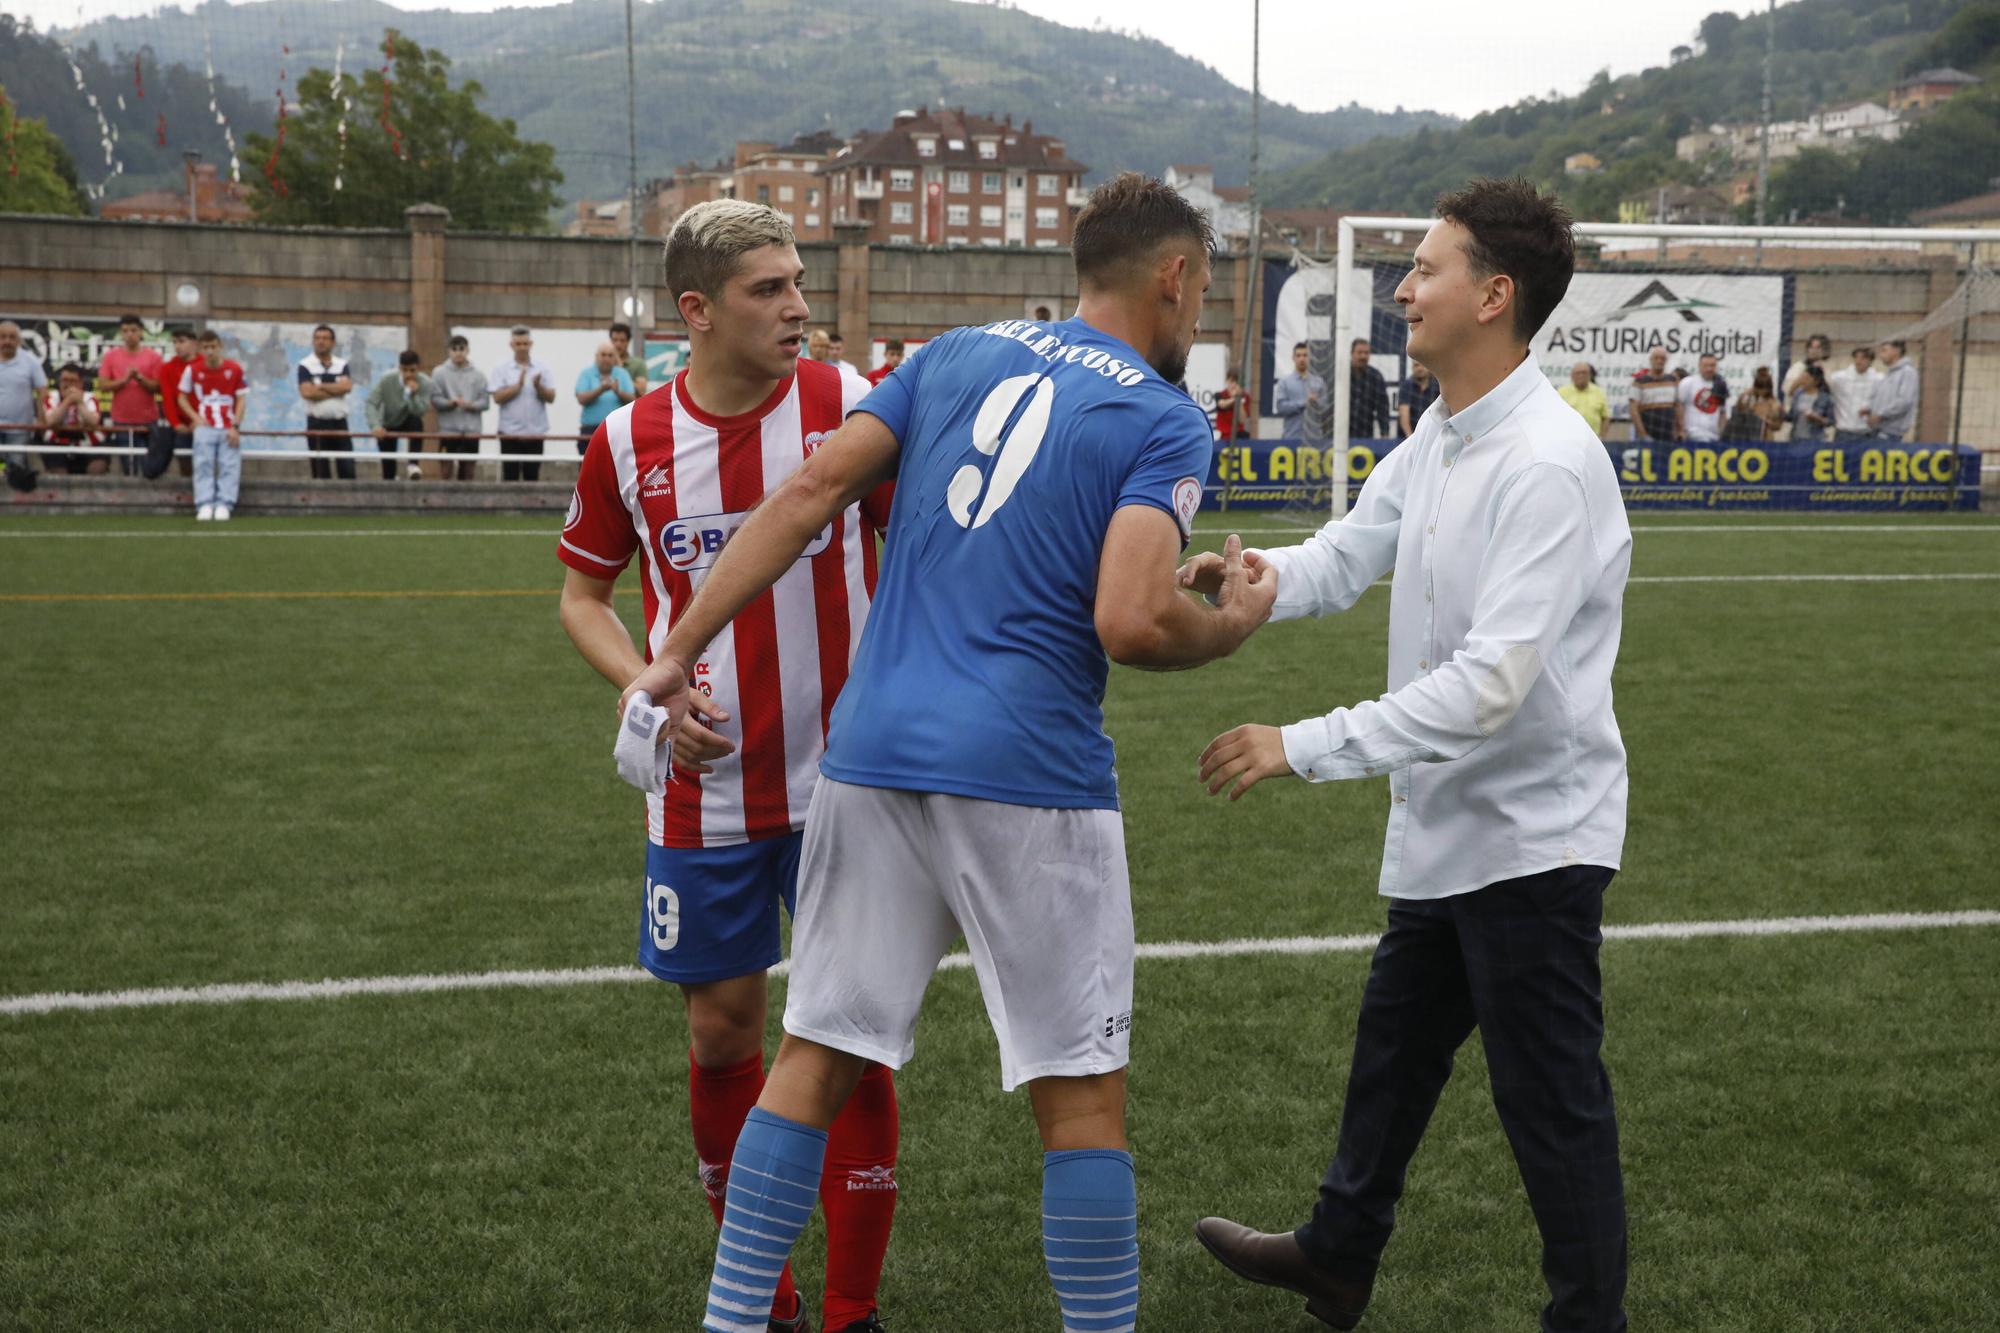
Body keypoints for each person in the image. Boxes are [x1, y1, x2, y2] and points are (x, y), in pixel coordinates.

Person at [620, 173, 1275, 1333]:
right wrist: (1223, 621)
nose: (1200, 312)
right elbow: (1127, 621)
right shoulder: (1167, 415)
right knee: (1077, 1097)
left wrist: (674, 648)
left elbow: (814, 487)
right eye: (1205, 289)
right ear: (1173, 278)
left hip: (868, 758)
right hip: (1026, 770)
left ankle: (728, 1322)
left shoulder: (952, 352)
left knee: (812, 1054)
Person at [1187, 177, 1631, 1333]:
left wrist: (1303, 743)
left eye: (1424, 268)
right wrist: (1255, 580)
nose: (1401, 289)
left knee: (1550, 1107)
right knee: (1392, 1056)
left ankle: (1585, 1320)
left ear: (1493, 294)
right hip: (1450, 826)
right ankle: (1337, 1255)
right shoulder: (1441, 429)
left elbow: (1489, 687)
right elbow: (1348, 551)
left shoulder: (1544, 461)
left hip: (1533, 838)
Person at [557, 200, 904, 1333]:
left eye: (800, 282)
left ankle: (850, 1306)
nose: (799, 306)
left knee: (848, 1036)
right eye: (769, 289)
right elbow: (582, 593)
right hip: (701, 786)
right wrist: (647, 686)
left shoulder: (849, 406)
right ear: (695, 309)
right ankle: (772, 1295)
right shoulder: (627, 442)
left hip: (850, 782)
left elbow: (921, 546)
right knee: (723, 1034)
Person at [178, 329, 247, 521]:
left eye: (213, 347)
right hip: (205, 426)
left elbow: (241, 399)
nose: (210, 351)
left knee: (229, 465)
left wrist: (236, 425)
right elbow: (181, 397)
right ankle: (205, 503)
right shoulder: (193, 370)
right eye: (206, 347)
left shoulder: (234, 369)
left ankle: (225, 503)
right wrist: (195, 418)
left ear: (220, 347)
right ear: (200, 348)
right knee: (203, 464)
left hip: (227, 426)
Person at [96, 314, 165, 474]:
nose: (129, 335)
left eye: (133, 330)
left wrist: (140, 378)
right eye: (125, 331)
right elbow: (103, 385)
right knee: (128, 464)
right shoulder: (111, 356)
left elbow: (158, 387)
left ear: (141, 332)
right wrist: (124, 380)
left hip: (148, 419)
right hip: (122, 420)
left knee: (150, 464)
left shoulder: (153, 357)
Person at [489, 326, 556, 481]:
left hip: (535, 433)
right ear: (511, 345)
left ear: (531, 344)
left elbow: (551, 397)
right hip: (509, 433)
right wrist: (517, 386)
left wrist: (539, 386)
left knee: (532, 477)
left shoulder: (542, 368)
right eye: (518, 344)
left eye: (525, 344)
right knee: (510, 477)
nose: (522, 348)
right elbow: (497, 398)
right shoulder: (501, 368)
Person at [297, 325, 356, 480]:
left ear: (333, 342)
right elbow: (307, 392)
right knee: (320, 472)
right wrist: (336, 389)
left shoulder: (341, 364)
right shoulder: (305, 365)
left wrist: (321, 386)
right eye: (317, 338)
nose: (320, 342)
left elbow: (347, 387)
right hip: (317, 423)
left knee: (348, 470)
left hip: (340, 424)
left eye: (325, 338)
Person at [366, 351, 435, 480]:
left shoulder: (425, 383)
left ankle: (413, 464)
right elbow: (371, 402)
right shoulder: (387, 380)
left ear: (418, 369)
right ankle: (390, 481)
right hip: (389, 422)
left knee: (416, 422)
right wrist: (375, 426)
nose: (408, 374)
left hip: (409, 419)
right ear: (399, 368)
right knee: (388, 469)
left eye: (412, 370)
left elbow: (420, 412)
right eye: (405, 370)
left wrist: (413, 395)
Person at [430, 335, 489, 481]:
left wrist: (470, 405)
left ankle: (468, 502)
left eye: (462, 348)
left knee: (468, 471)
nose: (458, 352)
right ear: (449, 351)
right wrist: (451, 403)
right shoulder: (439, 372)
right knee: (445, 470)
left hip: (471, 430)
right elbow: (435, 399)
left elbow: (485, 403)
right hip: (448, 430)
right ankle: (443, 501)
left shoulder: (479, 374)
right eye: (454, 349)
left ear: (468, 350)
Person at [0, 320, 51, 470]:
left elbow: (42, 391)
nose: (7, 341)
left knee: (15, 468)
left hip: (20, 428)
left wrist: (42, 419)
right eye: (3, 337)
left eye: (11, 337)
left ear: (19, 340)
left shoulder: (30, 361)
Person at [43, 363, 107, 474]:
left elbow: (93, 421)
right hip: (58, 442)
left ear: (81, 383)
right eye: (64, 380)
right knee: (56, 467)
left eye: (72, 381)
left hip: (87, 443)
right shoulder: (52, 396)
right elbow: (51, 421)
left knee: (98, 466)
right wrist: (67, 401)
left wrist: (79, 403)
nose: (68, 384)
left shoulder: (89, 397)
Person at [573, 341, 636, 451]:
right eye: (603, 355)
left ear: (614, 358)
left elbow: (633, 400)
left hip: (618, 431)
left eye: (610, 355)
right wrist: (601, 389)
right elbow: (581, 398)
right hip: (591, 431)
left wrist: (618, 392)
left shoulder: (622, 374)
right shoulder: (586, 373)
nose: (606, 358)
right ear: (596, 357)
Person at [160, 327, 200, 478]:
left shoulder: (204, 364)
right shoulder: (167, 368)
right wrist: (176, 423)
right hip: (182, 424)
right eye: (175, 342)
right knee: (184, 457)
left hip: (205, 422)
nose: (178, 346)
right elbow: (168, 399)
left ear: (194, 343)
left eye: (182, 341)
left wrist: (200, 420)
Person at [1275, 341, 1326, 440]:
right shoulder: (1284, 382)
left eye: (1305, 355)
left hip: (1314, 439)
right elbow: (1281, 407)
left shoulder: (1318, 382)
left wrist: (1316, 403)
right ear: (1293, 358)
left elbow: (1325, 408)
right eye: (1298, 356)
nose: (1302, 359)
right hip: (1291, 437)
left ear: (1310, 358)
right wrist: (1303, 404)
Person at [1829, 345, 1880, 442]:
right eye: (1857, 357)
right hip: (1844, 431)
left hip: (1867, 432)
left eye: (1864, 358)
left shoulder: (1879, 379)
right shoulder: (1839, 378)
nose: (1859, 361)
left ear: (1870, 360)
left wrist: (1872, 410)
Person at [1869, 340, 1918, 442]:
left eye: (1884, 350)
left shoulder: (1907, 372)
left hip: (1891, 433)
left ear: (1896, 351)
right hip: (1879, 430)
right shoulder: (1888, 375)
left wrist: (1881, 415)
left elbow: (1904, 401)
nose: (1881, 355)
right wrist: (1871, 410)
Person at [1628, 347, 1677, 442]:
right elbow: (1633, 410)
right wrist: (1643, 435)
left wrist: (1679, 431)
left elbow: (1678, 407)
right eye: (1656, 358)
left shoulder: (1672, 380)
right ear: (1651, 360)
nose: (1659, 361)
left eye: (1662, 358)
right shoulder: (1639, 382)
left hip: (1669, 437)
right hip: (1647, 437)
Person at [1677, 352, 1728, 442]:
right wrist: (1681, 430)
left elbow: (1723, 413)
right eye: (1706, 366)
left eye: (1712, 366)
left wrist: (1721, 434)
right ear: (1699, 366)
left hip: (1714, 437)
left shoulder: (1721, 385)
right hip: (1692, 435)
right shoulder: (1688, 383)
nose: (1709, 369)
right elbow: (1679, 406)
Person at [1723, 366, 1783, 442]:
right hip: (1747, 437)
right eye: (1758, 388)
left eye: (1763, 389)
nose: (1761, 392)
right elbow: (1738, 411)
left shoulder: (1775, 404)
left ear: (1768, 388)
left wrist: (1766, 422)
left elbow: (1778, 426)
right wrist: (1743, 395)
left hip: (1765, 439)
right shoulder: (1750, 400)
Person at [1348, 338, 1392, 439]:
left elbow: (1383, 408)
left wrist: (1384, 433)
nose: (1363, 356)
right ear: (1352, 353)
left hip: (1366, 435)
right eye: (1360, 352)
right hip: (1340, 436)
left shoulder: (1376, 376)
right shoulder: (1341, 375)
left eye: (1366, 353)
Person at [1558, 361, 1609, 439]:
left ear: (1590, 375)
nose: (1581, 376)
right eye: (1578, 373)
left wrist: (1602, 437)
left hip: (1593, 439)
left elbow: (1605, 417)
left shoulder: (1599, 392)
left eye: (1584, 373)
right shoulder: (1562, 392)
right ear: (1572, 376)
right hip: (1568, 438)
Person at [1788, 363, 1835, 442]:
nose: (1803, 381)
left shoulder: (1825, 398)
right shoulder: (1798, 394)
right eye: (1802, 378)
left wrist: (1817, 418)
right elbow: (1791, 416)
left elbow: (1831, 421)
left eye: (1807, 378)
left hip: (1815, 439)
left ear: (1816, 381)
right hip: (1796, 438)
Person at [1396, 360, 1439, 438]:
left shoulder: (1437, 387)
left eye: (1422, 365)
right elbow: (1404, 414)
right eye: (1416, 365)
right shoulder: (1406, 386)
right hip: (1407, 437)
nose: (1419, 368)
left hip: (1431, 436)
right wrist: (1410, 438)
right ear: (1412, 368)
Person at [1782, 333, 1831, 399]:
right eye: (1811, 347)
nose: (1814, 351)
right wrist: (1801, 380)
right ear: (1807, 349)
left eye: (1818, 347)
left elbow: (1831, 392)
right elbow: (1787, 390)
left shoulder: (1827, 368)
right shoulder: (1798, 366)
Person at [609, 321, 650, 396]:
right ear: (610, 341)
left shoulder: (638, 364)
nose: (618, 344)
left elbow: (641, 391)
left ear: (628, 342)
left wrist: (621, 369)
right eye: (615, 340)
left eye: (622, 340)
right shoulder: (604, 363)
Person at [1216, 365, 1248, 439]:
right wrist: (1235, 398)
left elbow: (1242, 420)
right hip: (1224, 437)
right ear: (1227, 381)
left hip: (1240, 437)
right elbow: (1222, 405)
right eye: (1231, 381)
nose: (1234, 385)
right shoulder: (1219, 395)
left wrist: (1239, 400)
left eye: (1236, 382)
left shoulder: (1245, 397)